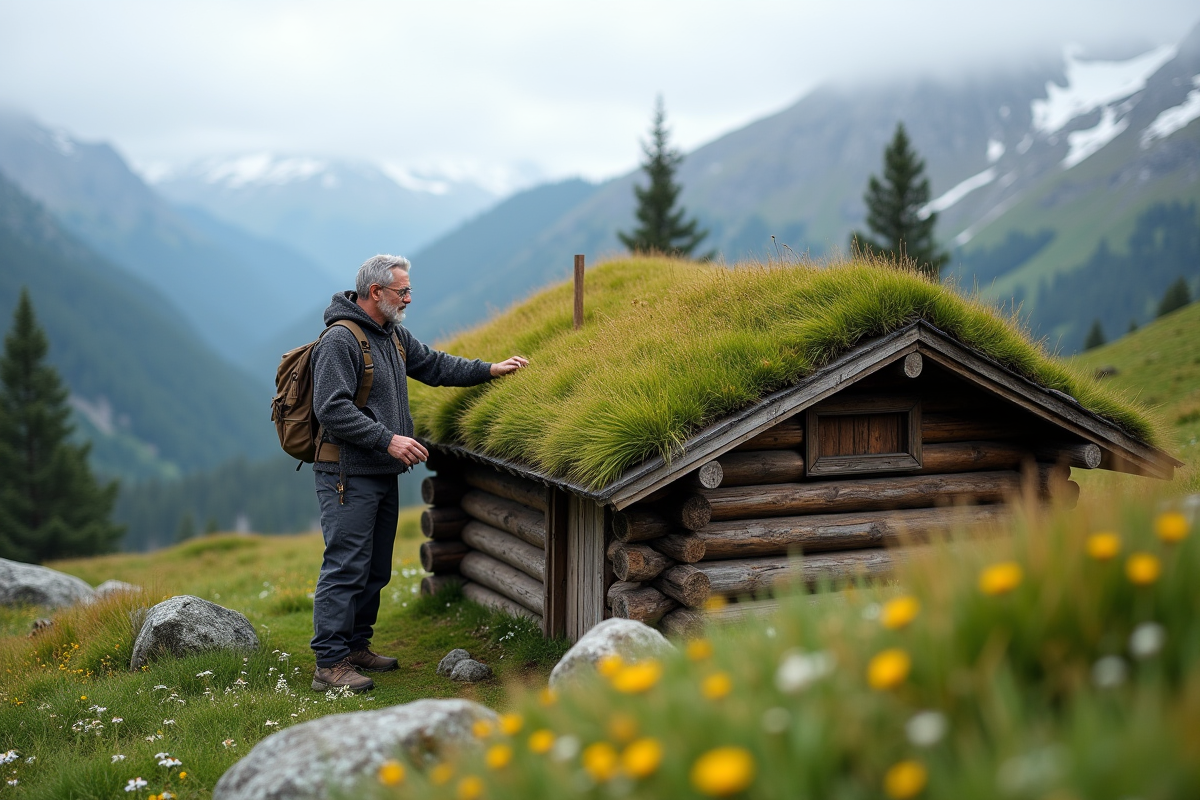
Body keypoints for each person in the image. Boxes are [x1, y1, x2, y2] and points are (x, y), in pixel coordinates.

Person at [309, 254, 527, 691]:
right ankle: (329, 663)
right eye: (402, 291)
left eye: (409, 290)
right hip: (347, 474)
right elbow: (330, 408)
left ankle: (356, 647)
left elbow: (436, 365)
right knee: (346, 565)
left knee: (375, 568)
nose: (409, 297)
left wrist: (490, 369)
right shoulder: (340, 340)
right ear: (375, 292)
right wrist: (387, 439)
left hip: (379, 471)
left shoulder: (392, 335)